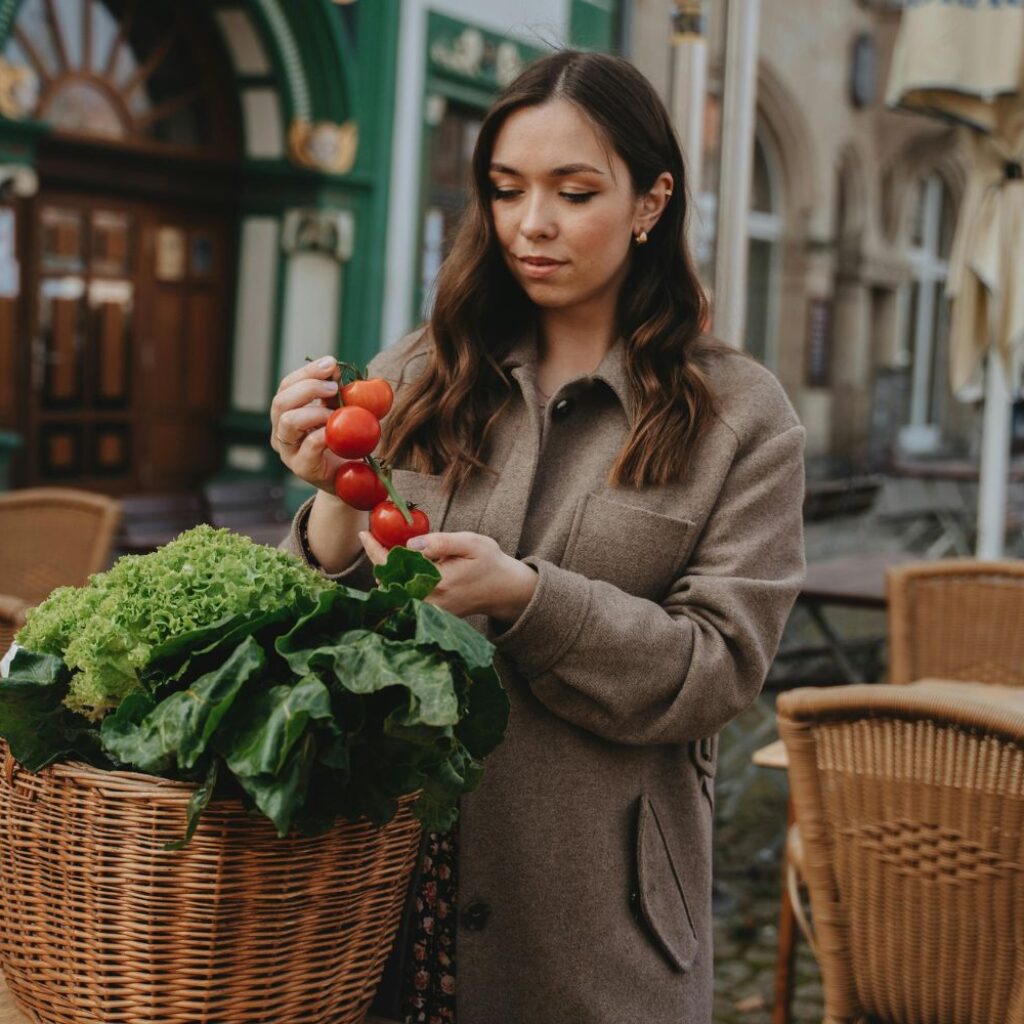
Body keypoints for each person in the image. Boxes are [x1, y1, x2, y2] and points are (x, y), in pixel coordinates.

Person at [274, 49, 805, 1024]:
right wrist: (331, 498)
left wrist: (527, 598)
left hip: (592, 926)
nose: (531, 224)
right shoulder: (420, 371)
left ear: (651, 202)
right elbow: (313, 643)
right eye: (505, 189)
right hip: (375, 900)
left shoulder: (739, 414)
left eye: (573, 191)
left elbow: (720, 669)